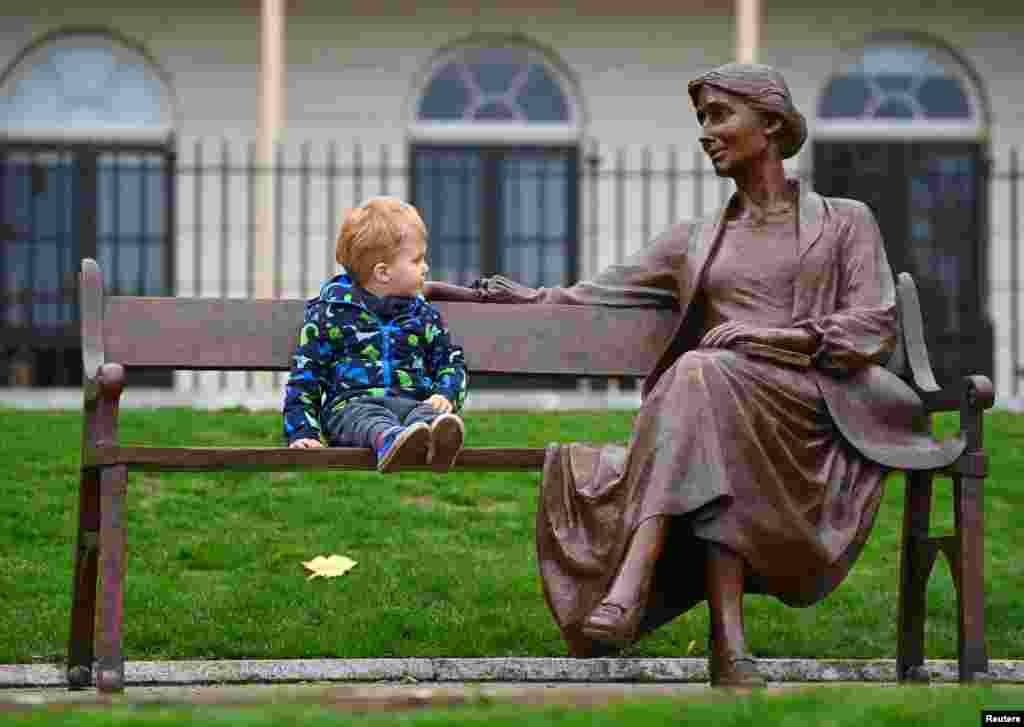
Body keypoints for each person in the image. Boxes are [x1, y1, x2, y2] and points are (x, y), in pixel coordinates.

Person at [425, 63, 962, 687]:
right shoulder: (694, 240)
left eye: (719, 115)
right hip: (724, 415)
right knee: (709, 397)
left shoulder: (845, 221)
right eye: (701, 119)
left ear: (771, 123)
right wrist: (483, 298)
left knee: (703, 377)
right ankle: (729, 649)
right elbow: (589, 296)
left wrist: (779, 339)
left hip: (815, 410)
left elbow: (874, 325)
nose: (706, 132)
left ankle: (634, 575)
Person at [284, 196, 468, 473]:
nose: (425, 267)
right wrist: (302, 432)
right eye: (417, 260)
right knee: (369, 417)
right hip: (351, 408)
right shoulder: (331, 314)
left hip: (410, 407)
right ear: (383, 272)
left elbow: (451, 361)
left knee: (428, 415)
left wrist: (446, 393)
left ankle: (434, 440)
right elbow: (306, 376)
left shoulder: (424, 316)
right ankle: (393, 441)